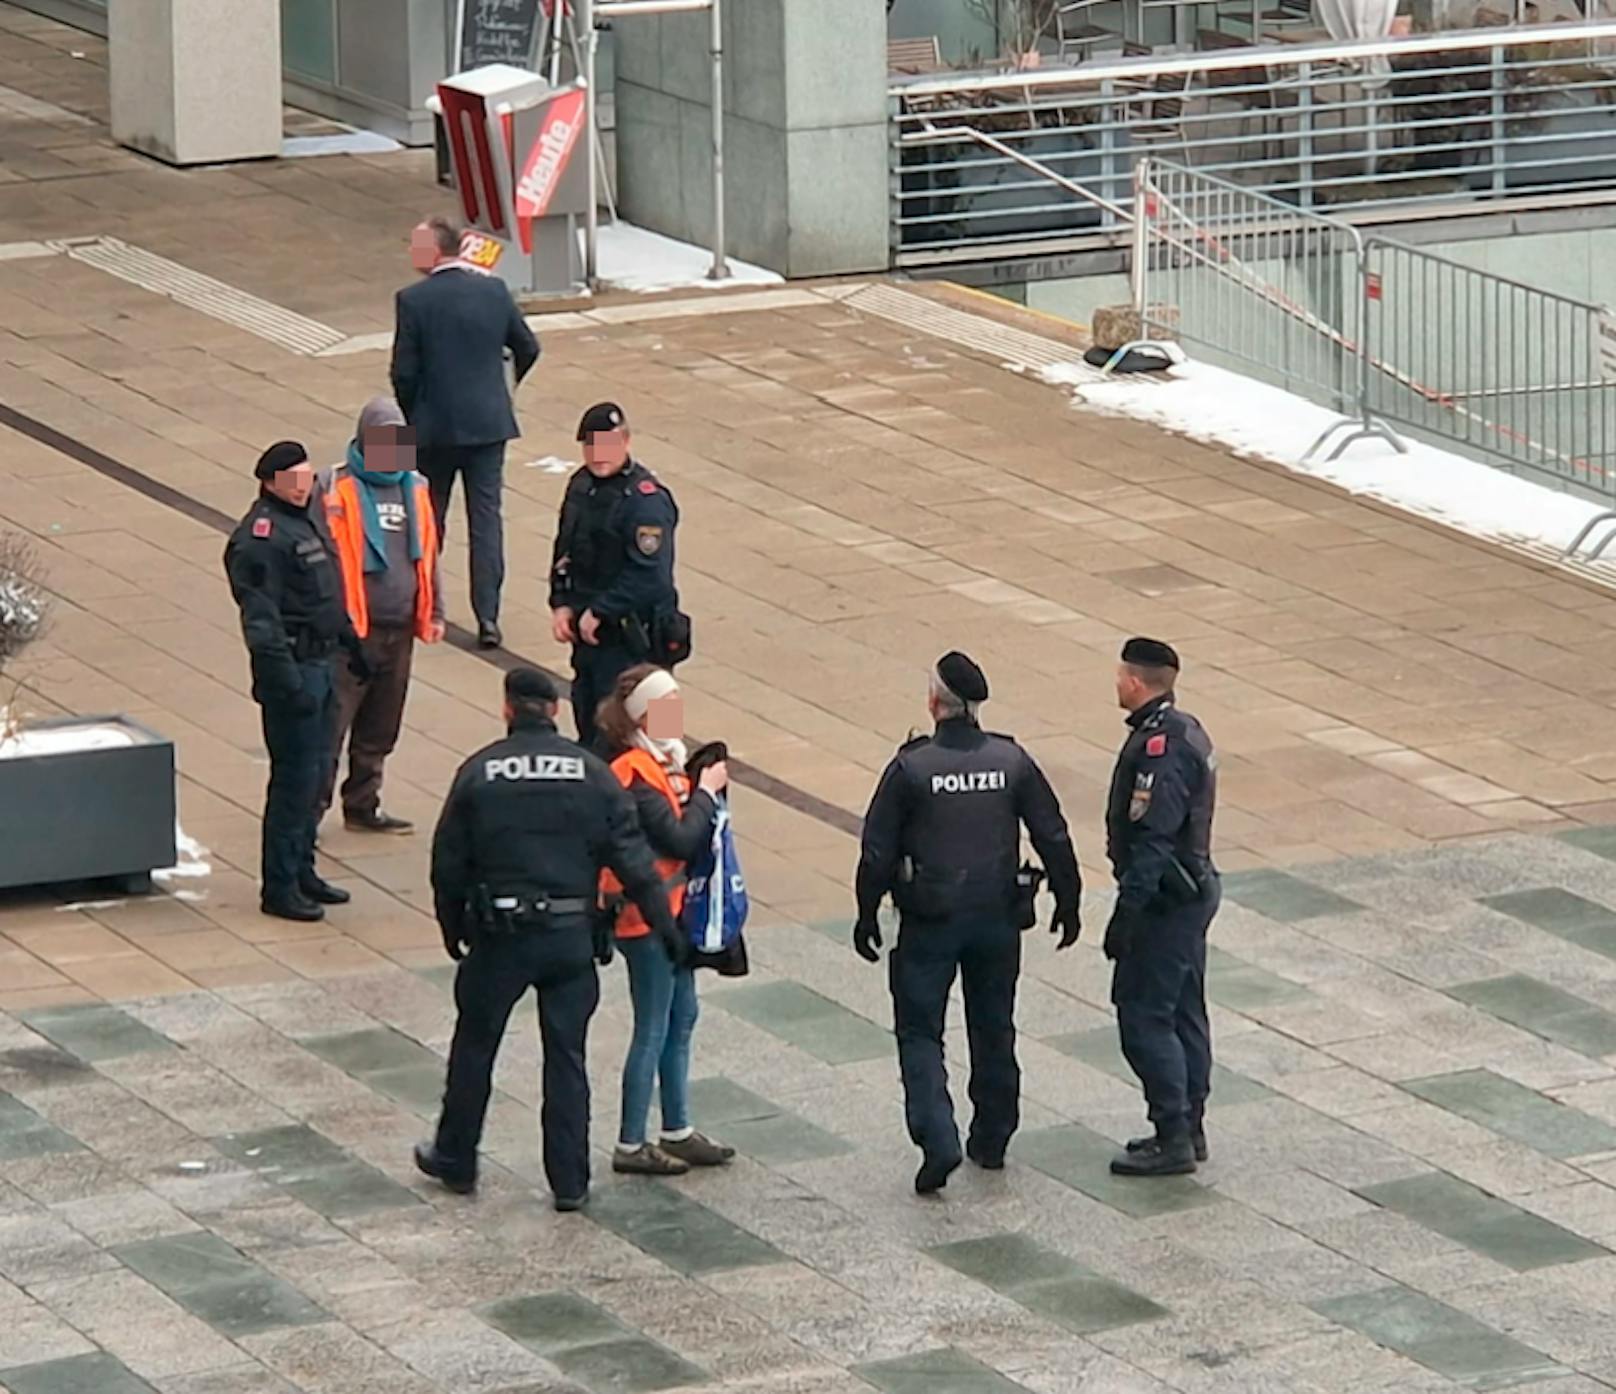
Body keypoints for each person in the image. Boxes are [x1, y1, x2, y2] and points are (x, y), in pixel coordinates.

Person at [415, 667, 681, 1212]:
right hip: (569, 937)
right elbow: (634, 864)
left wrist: (453, 927)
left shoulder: (480, 771)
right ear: (555, 710)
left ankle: (456, 1157)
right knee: (566, 1056)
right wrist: (668, 931)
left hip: (500, 937)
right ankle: (569, 1181)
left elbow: (447, 863)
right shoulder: (592, 774)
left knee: (475, 1046)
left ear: (508, 708)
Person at [853, 652, 1082, 1195]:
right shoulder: (1011, 760)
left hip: (930, 919)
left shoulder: (911, 767)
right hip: (997, 917)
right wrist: (1068, 902)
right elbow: (1052, 834)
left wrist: (867, 911)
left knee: (919, 1030)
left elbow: (878, 849)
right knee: (993, 1023)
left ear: (935, 703)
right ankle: (993, 1135)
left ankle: (937, 1137)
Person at [595, 666, 737, 1177]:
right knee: (653, 1025)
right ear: (643, 715)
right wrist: (706, 792)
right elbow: (679, 839)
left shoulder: (666, 763)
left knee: (682, 1017)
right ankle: (631, 1141)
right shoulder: (634, 773)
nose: (676, 713)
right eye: (667, 704)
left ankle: (676, 1127)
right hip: (645, 921)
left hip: (674, 918)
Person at [224, 442, 365, 922]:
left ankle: (303, 869)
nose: (305, 484)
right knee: (294, 782)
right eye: (295, 478)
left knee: (317, 775)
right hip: (296, 671)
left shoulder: (304, 518)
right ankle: (279, 885)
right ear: (270, 482)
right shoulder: (261, 539)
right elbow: (262, 624)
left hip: (324, 663)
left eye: (307, 475)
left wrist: (352, 642)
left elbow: (326, 592)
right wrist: (289, 685)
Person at [391, 216, 541, 649]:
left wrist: (415, 414)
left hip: (434, 429)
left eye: (416, 245)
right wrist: (502, 391)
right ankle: (488, 617)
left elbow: (403, 371)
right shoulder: (493, 291)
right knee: (485, 521)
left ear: (436, 251)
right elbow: (528, 346)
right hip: (488, 424)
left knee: (428, 518)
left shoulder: (413, 301)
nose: (411, 253)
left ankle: (424, 604)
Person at [1102, 637, 1221, 1178]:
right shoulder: (1185, 728)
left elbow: (1152, 839)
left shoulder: (1160, 748)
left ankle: (1173, 1131)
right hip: (1188, 892)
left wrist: (1127, 913)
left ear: (1135, 681)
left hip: (1166, 901)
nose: (1116, 682)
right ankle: (1188, 1124)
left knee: (1145, 1013)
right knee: (1182, 1008)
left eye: (1121, 675)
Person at [318, 397, 445, 835]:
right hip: (351, 633)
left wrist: (435, 609)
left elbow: (428, 554)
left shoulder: (417, 487)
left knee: (381, 725)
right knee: (331, 726)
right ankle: (310, 811)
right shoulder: (333, 487)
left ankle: (363, 803)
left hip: (399, 631)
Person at [549, 402, 682, 750]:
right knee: (593, 725)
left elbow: (652, 577)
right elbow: (565, 550)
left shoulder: (646, 501)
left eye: (607, 444)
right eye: (590, 445)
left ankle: (669, 794)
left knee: (658, 735)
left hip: (638, 638)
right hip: (593, 638)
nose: (598, 454)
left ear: (625, 441)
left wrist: (602, 610)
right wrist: (561, 602)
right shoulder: (581, 486)